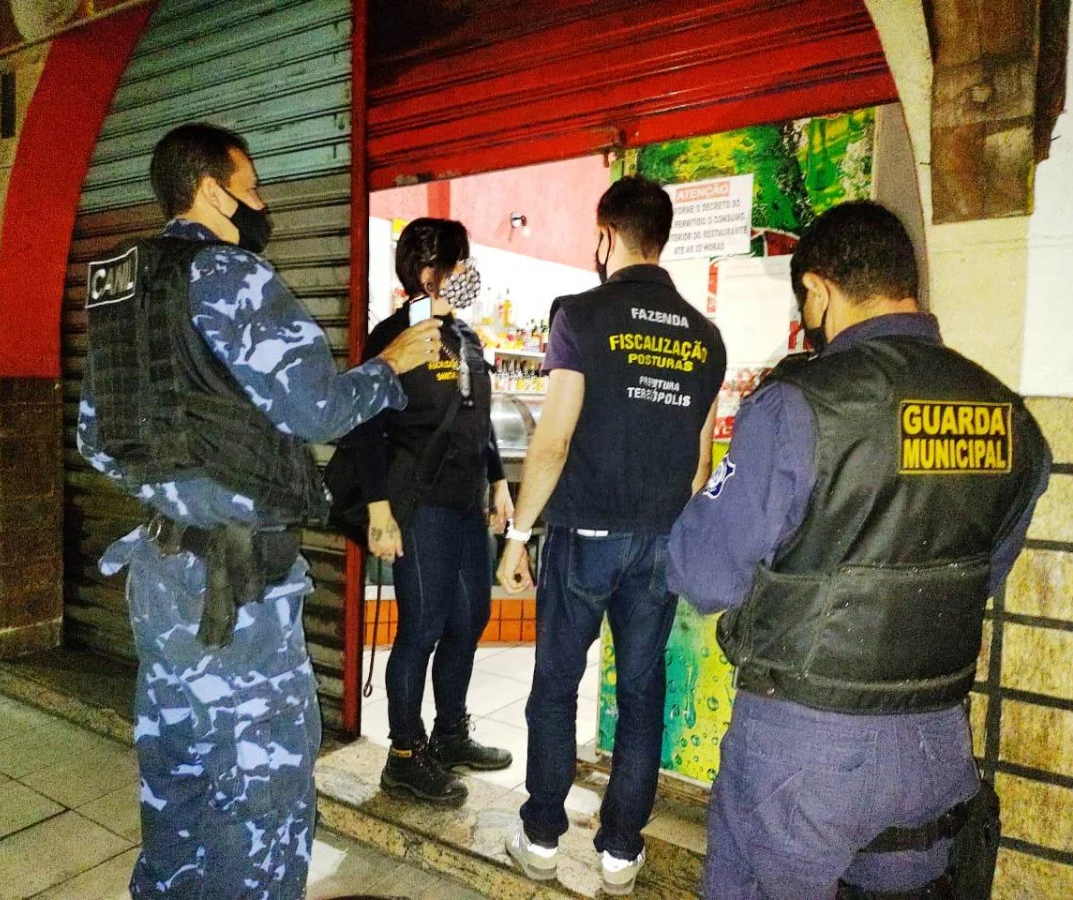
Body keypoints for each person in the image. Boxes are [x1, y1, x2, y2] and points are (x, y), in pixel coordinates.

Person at [77, 122, 439, 900]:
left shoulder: (121, 285)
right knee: (260, 799)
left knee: (176, 779)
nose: (263, 203)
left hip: (159, 575)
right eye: (253, 187)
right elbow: (317, 409)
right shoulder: (231, 275)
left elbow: (96, 441)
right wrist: (391, 365)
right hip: (239, 595)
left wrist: (179, 490)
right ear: (212, 191)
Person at [667, 201, 1051, 900]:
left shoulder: (797, 406)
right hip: (937, 745)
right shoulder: (1009, 416)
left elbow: (703, 573)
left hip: (804, 745)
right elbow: (985, 575)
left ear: (818, 290)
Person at [498, 175, 726, 895]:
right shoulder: (706, 338)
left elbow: (552, 441)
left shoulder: (581, 314)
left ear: (606, 237)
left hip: (585, 535)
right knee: (642, 693)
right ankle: (622, 852)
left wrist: (518, 535)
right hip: (658, 541)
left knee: (555, 686)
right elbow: (698, 467)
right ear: (660, 238)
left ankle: (541, 836)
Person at [344, 218, 514, 806]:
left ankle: (449, 734)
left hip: (467, 505)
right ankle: (405, 757)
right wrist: (379, 510)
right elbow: (365, 426)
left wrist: (498, 480)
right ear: (427, 272)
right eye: (459, 261)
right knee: (421, 628)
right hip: (420, 508)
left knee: (470, 620)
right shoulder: (393, 337)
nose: (468, 272)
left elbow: (476, 415)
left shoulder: (465, 336)